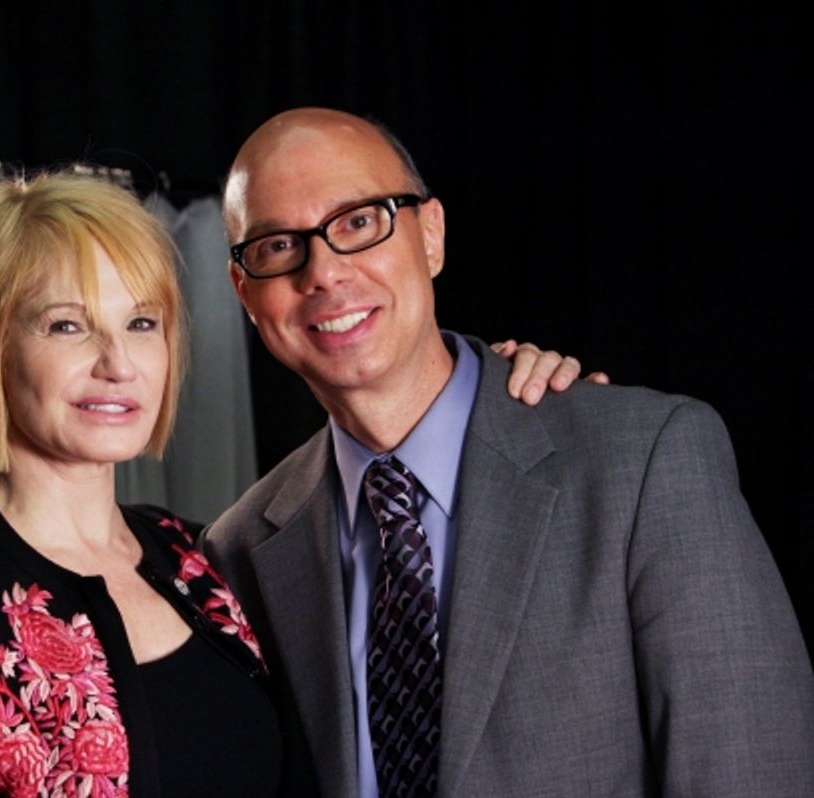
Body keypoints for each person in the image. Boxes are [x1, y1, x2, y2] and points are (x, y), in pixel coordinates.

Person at [0, 169, 588, 797]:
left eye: (142, 323)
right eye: (66, 325)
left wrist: (504, 395)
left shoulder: (200, 557)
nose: (117, 363)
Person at [202, 107, 814, 798]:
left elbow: (749, 770)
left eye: (358, 222)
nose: (323, 272)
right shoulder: (238, 552)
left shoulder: (644, 461)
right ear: (245, 293)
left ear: (430, 235)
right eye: (278, 245)